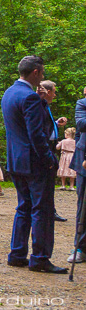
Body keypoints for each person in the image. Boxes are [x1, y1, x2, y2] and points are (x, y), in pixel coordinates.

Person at [2, 55, 66, 274]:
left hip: (16, 160)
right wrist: (50, 160)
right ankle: (39, 258)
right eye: (43, 72)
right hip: (35, 163)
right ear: (36, 72)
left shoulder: (9, 93)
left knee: (24, 207)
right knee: (42, 210)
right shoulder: (30, 97)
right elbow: (36, 135)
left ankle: (17, 254)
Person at [37, 80, 68, 223]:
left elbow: (46, 125)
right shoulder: (40, 106)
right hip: (45, 147)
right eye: (54, 92)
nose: (55, 95)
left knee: (49, 182)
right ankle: (46, 211)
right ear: (48, 92)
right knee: (45, 182)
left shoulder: (46, 107)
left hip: (51, 146)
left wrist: (56, 123)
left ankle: (50, 210)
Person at [70, 86, 86, 263]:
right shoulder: (82, 104)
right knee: (83, 205)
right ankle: (80, 247)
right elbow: (81, 124)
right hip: (84, 159)